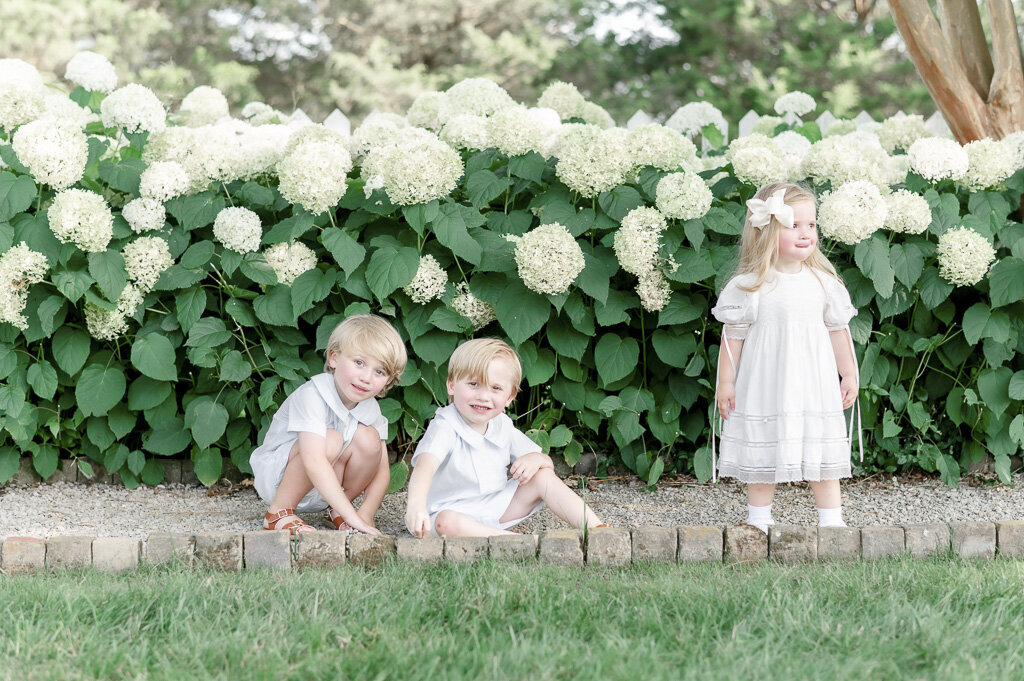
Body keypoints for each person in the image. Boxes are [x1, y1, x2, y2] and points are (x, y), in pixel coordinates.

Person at [711, 182, 860, 533]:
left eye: (811, 225)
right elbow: (733, 339)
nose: (806, 233)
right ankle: (759, 519)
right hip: (766, 381)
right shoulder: (750, 286)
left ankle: (832, 520)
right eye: (794, 225)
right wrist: (726, 383)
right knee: (763, 452)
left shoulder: (824, 284)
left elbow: (838, 332)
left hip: (813, 382)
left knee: (821, 453)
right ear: (766, 231)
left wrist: (848, 374)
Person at [405, 338, 605, 538]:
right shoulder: (445, 425)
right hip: (444, 515)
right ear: (451, 385)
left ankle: (598, 530)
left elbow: (544, 463)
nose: (483, 396)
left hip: (494, 507)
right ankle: (516, 542)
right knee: (447, 522)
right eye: (474, 384)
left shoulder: (502, 425)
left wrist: (537, 459)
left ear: (509, 397)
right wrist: (416, 506)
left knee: (542, 476)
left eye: (496, 388)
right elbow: (425, 466)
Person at [251, 314, 407, 535]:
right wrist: (354, 517)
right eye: (359, 363)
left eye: (379, 371)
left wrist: (365, 516)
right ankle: (278, 512)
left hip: (327, 485)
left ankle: (338, 511)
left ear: (388, 380)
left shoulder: (370, 407)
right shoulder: (312, 395)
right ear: (334, 358)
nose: (366, 377)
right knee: (331, 439)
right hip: (279, 477)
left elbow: (381, 470)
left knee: (369, 440)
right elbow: (314, 460)